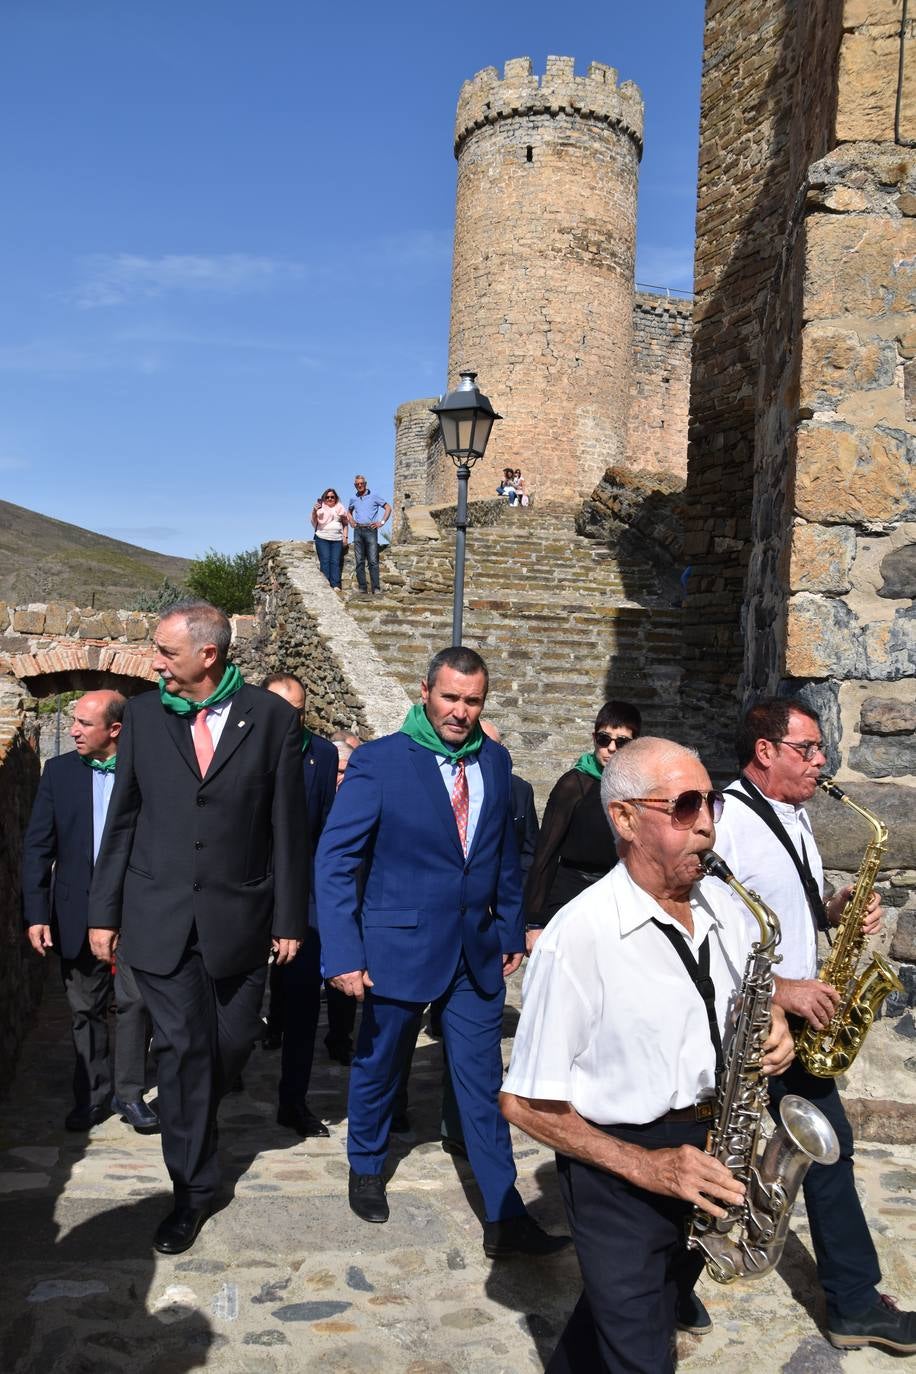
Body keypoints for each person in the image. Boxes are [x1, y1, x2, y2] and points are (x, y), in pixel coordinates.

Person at [500, 736, 795, 1372]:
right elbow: (522, 1103)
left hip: (715, 1149)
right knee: (641, 1352)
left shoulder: (729, 905)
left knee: (637, 1312)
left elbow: (753, 991)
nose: (709, 825)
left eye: (710, 804)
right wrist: (648, 1168)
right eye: (685, 807)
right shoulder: (578, 938)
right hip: (621, 1171)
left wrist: (773, 1020)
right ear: (626, 818)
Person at [316, 645, 569, 1257]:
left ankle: (505, 1215)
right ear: (425, 691)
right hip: (396, 947)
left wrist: (510, 928)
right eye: (450, 697)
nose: (460, 711)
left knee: (483, 1083)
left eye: (472, 700)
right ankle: (367, 1165)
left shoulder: (497, 761)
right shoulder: (381, 762)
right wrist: (344, 953)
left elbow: (504, 856)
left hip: (475, 952)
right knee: (381, 1064)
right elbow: (336, 860)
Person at [88, 600, 309, 1255]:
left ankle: (194, 1114)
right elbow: (122, 819)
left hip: (239, 918)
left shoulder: (270, 720)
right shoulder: (146, 718)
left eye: (165, 651)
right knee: (184, 1052)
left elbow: (287, 827)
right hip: (158, 919)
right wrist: (103, 912)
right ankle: (192, 1190)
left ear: (208, 654)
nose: (155, 662)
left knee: (230, 1046)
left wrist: (289, 916)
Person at [713, 697, 916, 1355]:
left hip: (794, 1021)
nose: (822, 761)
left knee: (825, 1148)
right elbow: (713, 937)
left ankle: (854, 1302)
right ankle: (669, 1278)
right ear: (765, 750)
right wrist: (785, 990)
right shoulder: (726, 822)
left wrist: (834, 912)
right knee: (714, 1149)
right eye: (808, 748)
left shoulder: (794, 815)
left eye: (821, 748)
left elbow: (783, 911)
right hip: (747, 1022)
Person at [22, 690, 157, 1135]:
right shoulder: (58, 772)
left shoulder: (148, 771)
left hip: (136, 909)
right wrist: (37, 913)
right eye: (74, 722)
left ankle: (131, 1093)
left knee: (136, 1004)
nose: (73, 731)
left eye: (84, 723)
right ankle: (93, 1094)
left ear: (114, 730)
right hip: (75, 911)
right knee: (85, 1009)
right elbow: (39, 847)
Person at [262, 673, 338, 1138]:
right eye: (281, 710)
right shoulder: (237, 745)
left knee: (306, 1000)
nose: (292, 719)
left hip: (302, 895)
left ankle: (294, 1099)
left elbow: (326, 833)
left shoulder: (322, 755)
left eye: (299, 711)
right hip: (243, 893)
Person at [524, 700, 641, 953]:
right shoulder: (574, 784)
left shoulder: (637, 790)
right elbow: (546, 852)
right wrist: (534, 921)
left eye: (621, 742)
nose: (610, 748)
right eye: (604, 739)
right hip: (571, 893)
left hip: (617, 895)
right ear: (594, 738)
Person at [347, 474, 391, 595]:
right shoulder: (353, 498)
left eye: (362, 483)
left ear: (365, 484)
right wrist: (351, 520)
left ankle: (376, 589)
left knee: (372, 561)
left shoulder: (374, 496)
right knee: (359, 561)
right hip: (358, 530)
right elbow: (348, 512)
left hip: (371, 530)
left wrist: (381, 522)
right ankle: (362, 588)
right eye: (357, 484)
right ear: (355, 485)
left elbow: (388, 507)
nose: (360, 485)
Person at [310, 487, 349, 589]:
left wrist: (345, 537)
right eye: (327, 497)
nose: (330, 499)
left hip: (337, 539)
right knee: (325, 561)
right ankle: (326, 586)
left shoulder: (340, 508)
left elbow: (345, 524)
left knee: (335, 562)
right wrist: (314, 511)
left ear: (336, 498)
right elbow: (314, 521)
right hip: (322, 538)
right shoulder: (320, 509)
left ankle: (335, 585)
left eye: (332, 497)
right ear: (324, 498)